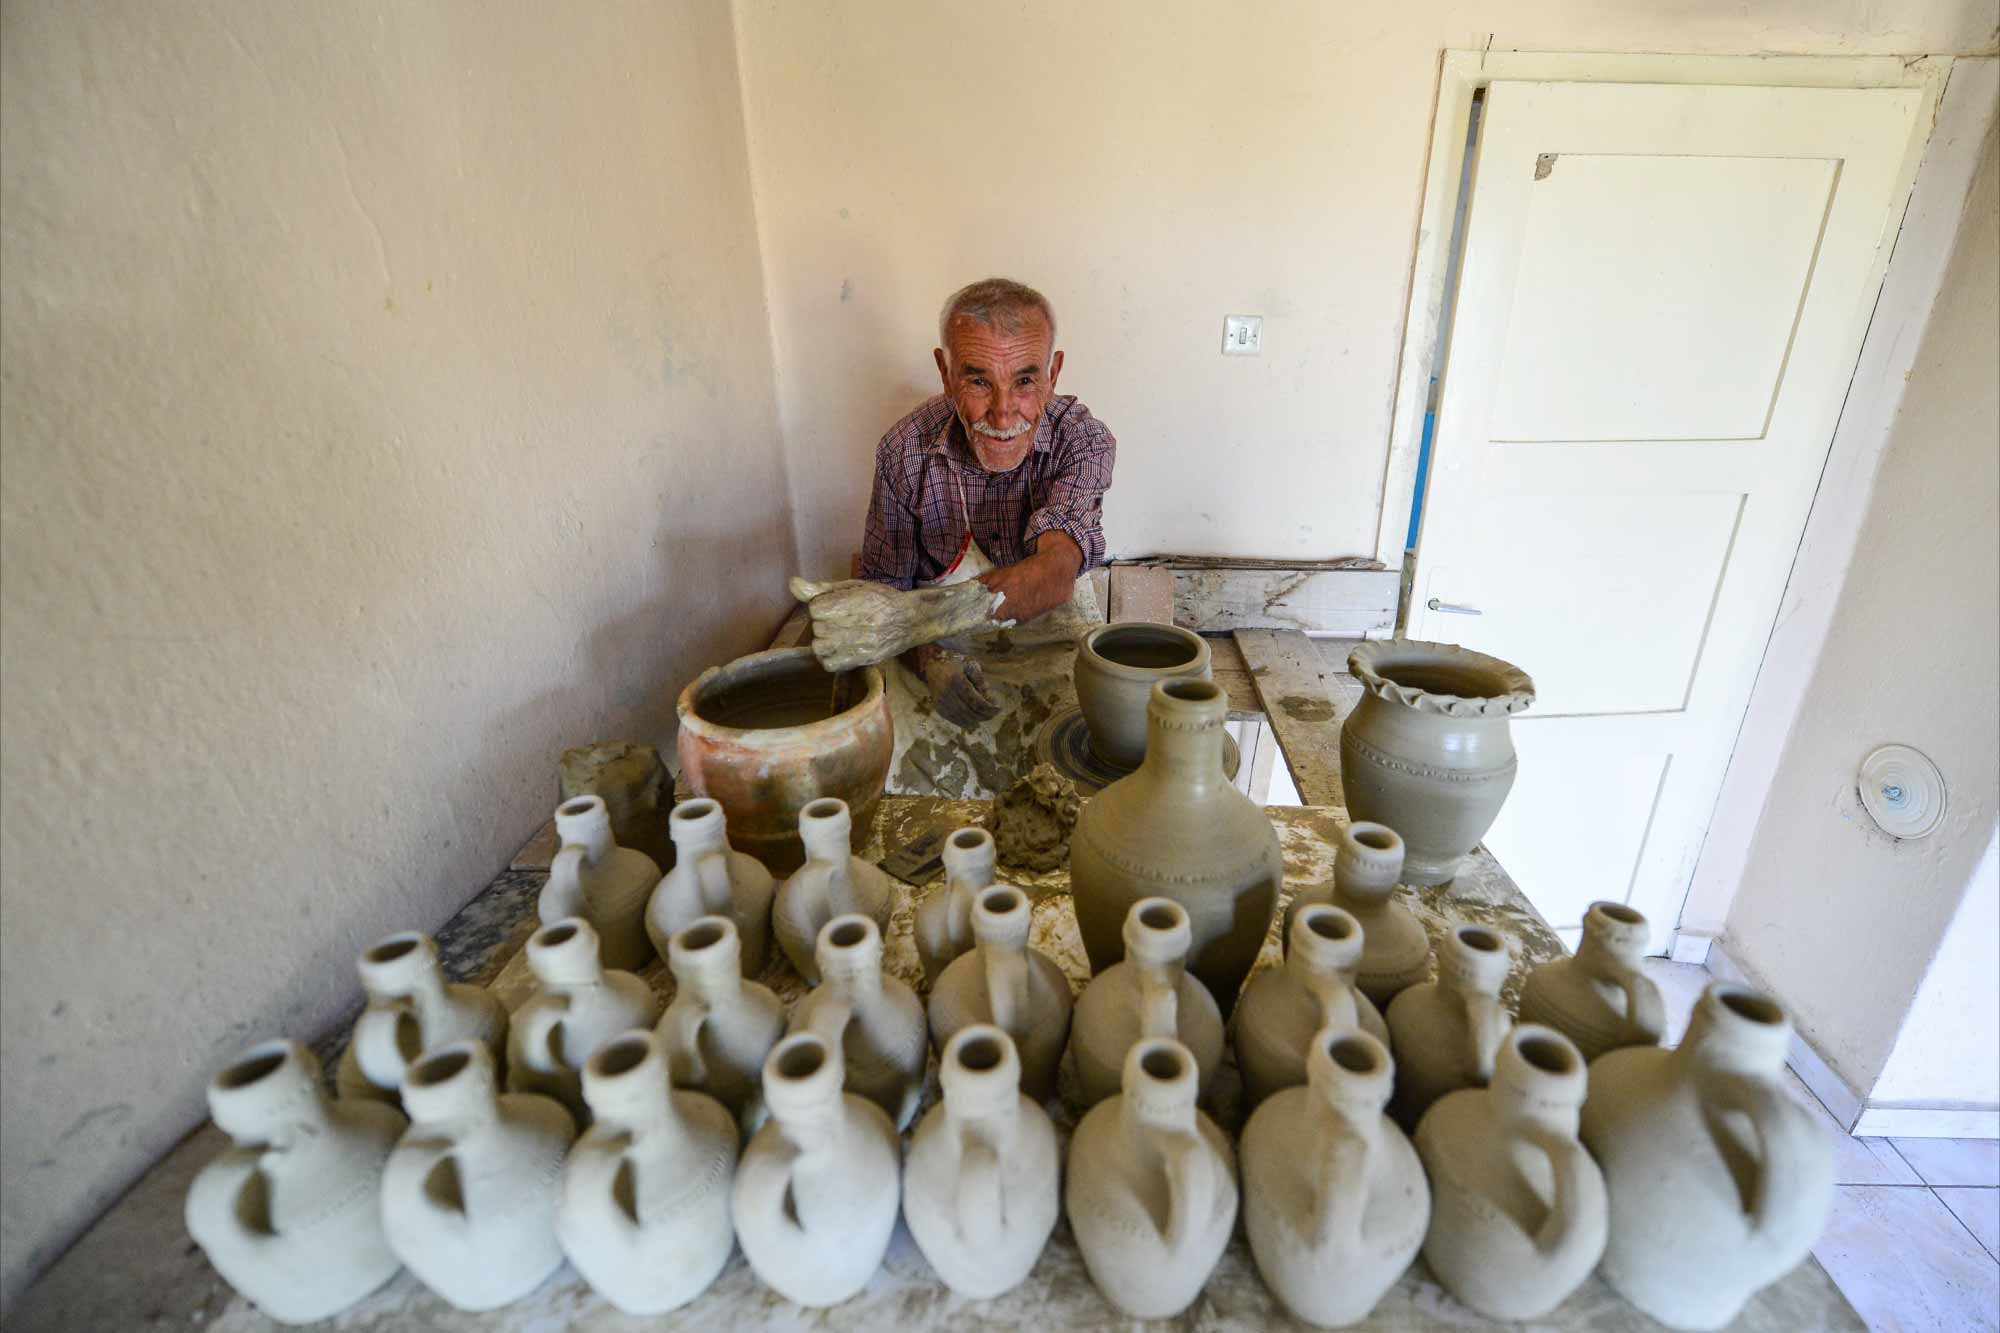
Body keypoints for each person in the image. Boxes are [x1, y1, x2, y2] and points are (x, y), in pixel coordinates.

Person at [859, 278, 1117, 726]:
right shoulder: (904, 452)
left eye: (1025, 381)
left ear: (1053, 374)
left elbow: (1056, 570)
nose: (1002, 413)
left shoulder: (1082, 440)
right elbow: (885, 596)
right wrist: (930, 660)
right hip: (937, 661)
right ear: (946, 373)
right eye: (979, 381)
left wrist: (948, 612)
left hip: (1055, 660)